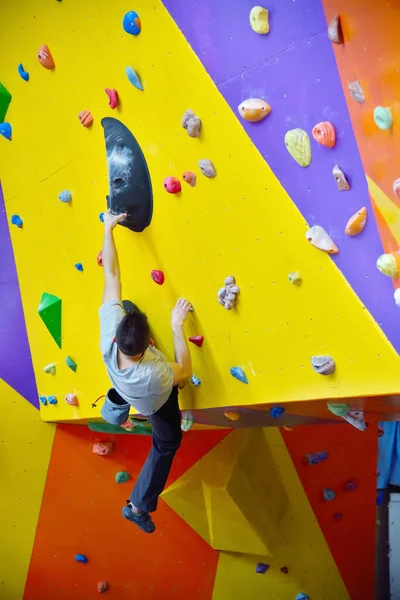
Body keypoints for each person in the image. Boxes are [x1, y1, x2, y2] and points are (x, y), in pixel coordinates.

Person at [99, 210, 192, 533]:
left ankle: (115, 413)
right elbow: (185, 371)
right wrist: (177, 327)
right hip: (152, 402)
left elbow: (112, 276)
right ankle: (137, 507)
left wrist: (108, 229)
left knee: (115, 294)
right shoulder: (155, 374)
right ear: (147, 349)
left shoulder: (110, 331)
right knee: (167, 444)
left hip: (120, 378)